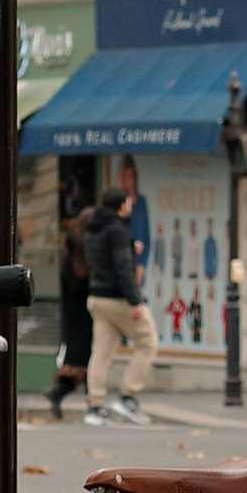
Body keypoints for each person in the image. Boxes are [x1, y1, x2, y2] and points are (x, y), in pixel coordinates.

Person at [81, 181, 154, 425]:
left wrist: (129, 249)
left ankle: (94, 407)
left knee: (101, 353)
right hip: (118, 298)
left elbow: (102, 259)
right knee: (148, 342)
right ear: (122, 205)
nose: (131, 206)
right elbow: (122, 268)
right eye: (129, 202)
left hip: (97, 297)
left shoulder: (93, 227)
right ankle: (127, 396)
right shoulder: (117, 230)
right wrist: (135, 301)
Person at [46, 191, 94, 421]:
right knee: (88, 360)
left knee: (84, 361)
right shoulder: (80, 252)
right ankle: (91, 402)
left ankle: (65, 394)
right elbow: (79, 284)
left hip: (75, 315)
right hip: (82, 315)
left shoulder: (72, 250)